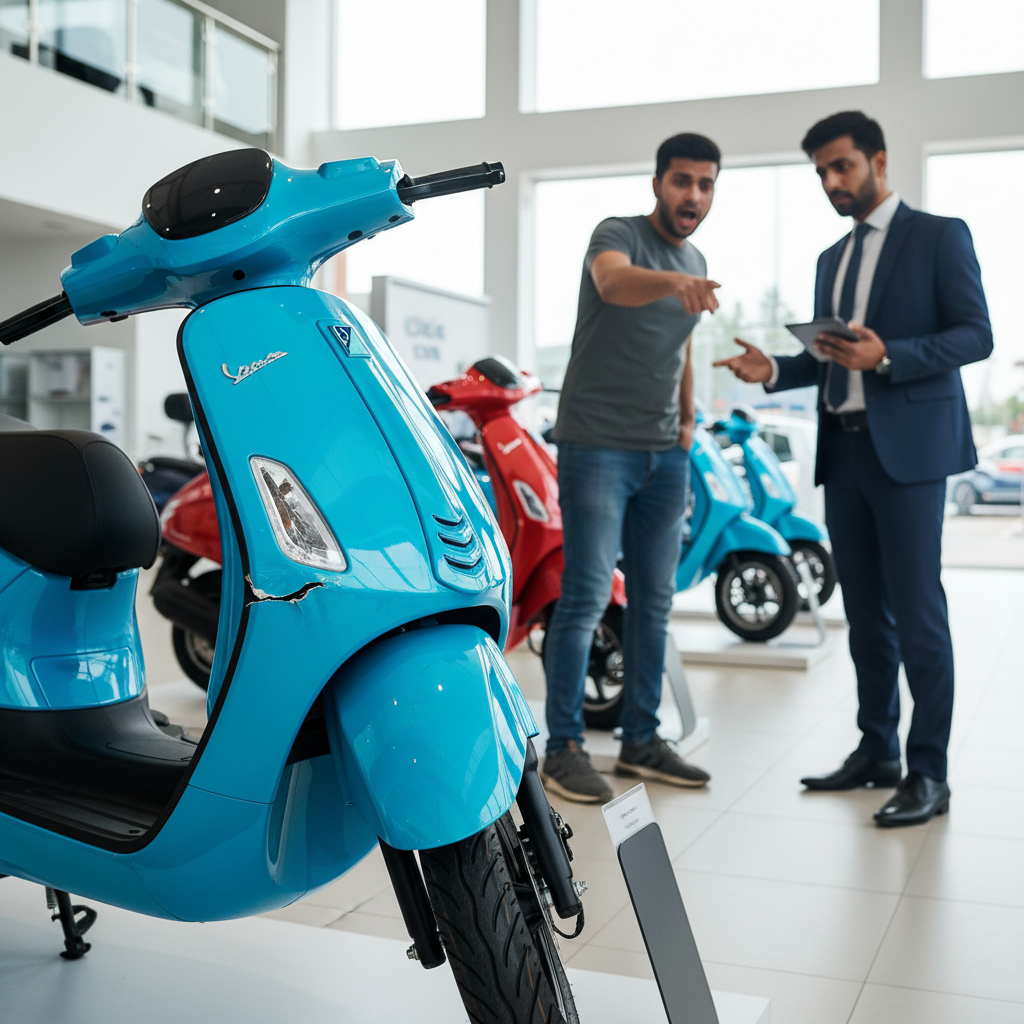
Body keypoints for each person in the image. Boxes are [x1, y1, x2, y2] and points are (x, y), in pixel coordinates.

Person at [715, 111, 992, 827]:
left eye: (842, 166)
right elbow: (830, 357)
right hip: (844, 451)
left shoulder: (940, 236)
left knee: (919, 614)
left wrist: (889, 355)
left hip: (911, 452)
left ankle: (928, 772)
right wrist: (775, 369)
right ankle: (877, 751)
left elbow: (976, 334)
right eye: (821, 173)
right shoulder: (830, 259)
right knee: (865, 615)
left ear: (879, 161)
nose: (831, 182)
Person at [541, 133, 720, 804]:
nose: (693, 195)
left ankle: (641, 738)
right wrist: (676, 283)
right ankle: (563, 748)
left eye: (705, 184)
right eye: (682, 181)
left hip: (664, 453)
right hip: (597, 445)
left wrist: (687, 425)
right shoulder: (617, 235)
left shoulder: (696, 259)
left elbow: (682, 349)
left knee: (655, 601)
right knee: (588, 596)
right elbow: (612, 283)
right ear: (657, 184)